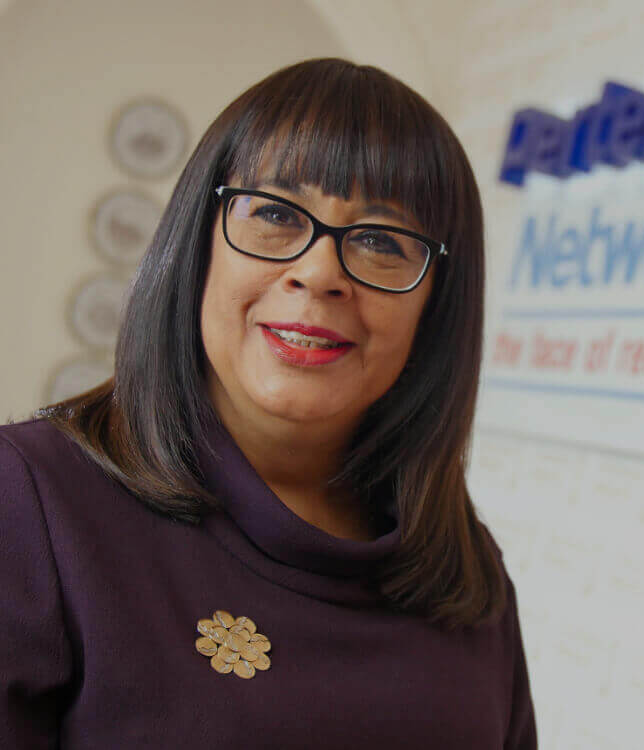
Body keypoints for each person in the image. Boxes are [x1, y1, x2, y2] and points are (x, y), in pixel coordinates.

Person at [0, 59, 536, 748]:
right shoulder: (29, 500)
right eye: (276, 214)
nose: (318, 272)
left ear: (437, 305)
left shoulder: (465, 565)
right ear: (198, 242)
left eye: (380, 240)